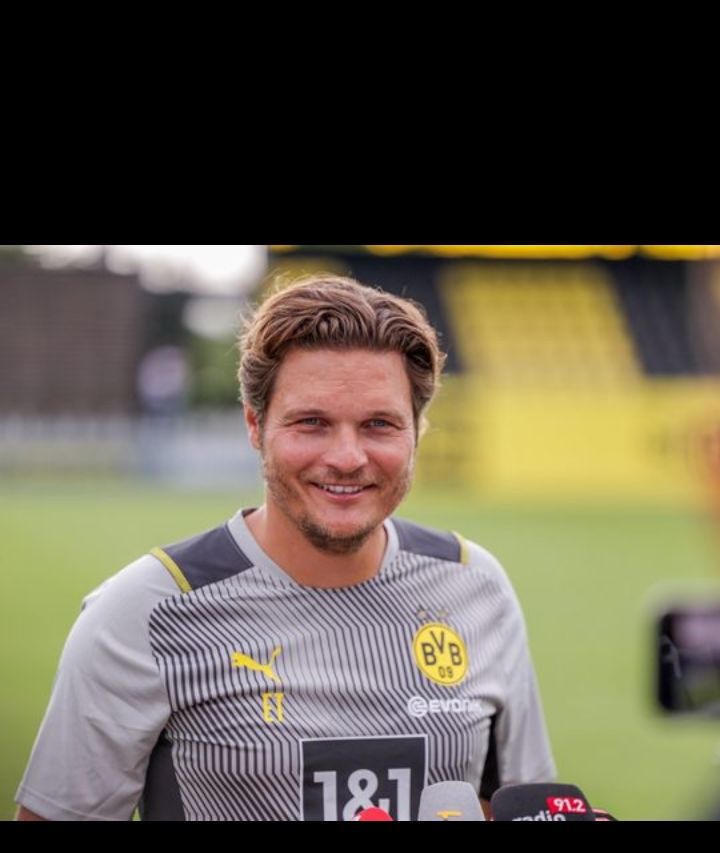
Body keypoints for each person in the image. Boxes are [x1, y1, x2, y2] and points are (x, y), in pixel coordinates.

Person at [15, 276, 555, 822]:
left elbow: (522, 805)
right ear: (255, 425)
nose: (347, 457)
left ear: (417, 431)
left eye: (379, 424)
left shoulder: (476, 585)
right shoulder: (145, 613)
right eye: (312, 423)